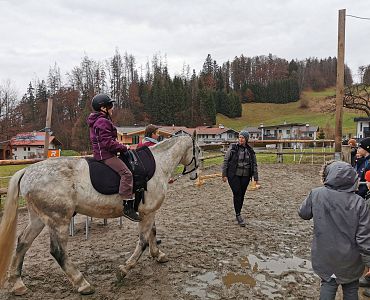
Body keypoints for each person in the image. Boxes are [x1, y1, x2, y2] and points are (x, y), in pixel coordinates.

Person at [298, 160, 370, 300]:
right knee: (351, 288)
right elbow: (364, 237)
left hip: (326, 254)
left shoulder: (316, 194)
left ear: (327, 176)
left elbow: (303, 213)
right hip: (351, 258)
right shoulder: (359, 202)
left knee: (328, 284)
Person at [87, 93, 140, 222]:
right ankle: (127, 206)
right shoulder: (102, 121)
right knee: (126, 173)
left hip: (103, 153)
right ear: (103, 108)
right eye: (110, 105)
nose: (112, 108)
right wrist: (124, 147)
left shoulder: (100, 120)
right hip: (105, 155)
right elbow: (108, 143)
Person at [221, 130, 259, 227]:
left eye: (243, 138)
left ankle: (239, 212)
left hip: (246, 176)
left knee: (241, 195)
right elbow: (226, 161)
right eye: (240, 137)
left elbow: (254, 164)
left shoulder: (250, 151)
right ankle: (238, 215)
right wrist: (224, 174)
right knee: (237, 193)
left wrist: (256, 177)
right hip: (233, 175)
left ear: (246, 139)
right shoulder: (233, 148)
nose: (241, 139)